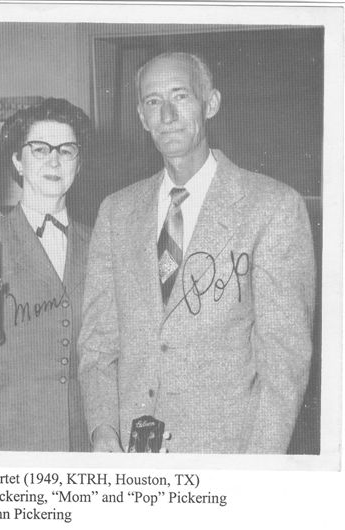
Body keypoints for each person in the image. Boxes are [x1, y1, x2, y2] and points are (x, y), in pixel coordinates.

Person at [79, 52, 315, 454]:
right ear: (141, 115)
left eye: (181, 96)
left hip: (225, 458)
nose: (167, 114)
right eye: (153, 102)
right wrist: (103, 429)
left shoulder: (273, 207)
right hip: (132, 461)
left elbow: (284, 364)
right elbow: (98, 344)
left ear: (211, 103)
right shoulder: (116, 211)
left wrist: (258, 470)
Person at [0, 98, 92, 451]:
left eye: (66, 150)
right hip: (10, 442)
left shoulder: (98, 243)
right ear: (17, 160)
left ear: (78, 162)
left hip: (82, 443)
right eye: (40, 149)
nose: (54, 161)